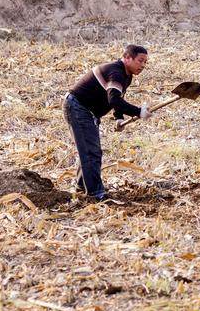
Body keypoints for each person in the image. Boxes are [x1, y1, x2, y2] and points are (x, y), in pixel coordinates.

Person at [63, 44, 151, 201]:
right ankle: (95, 193)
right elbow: (114, 100)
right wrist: (138, 112)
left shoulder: (126, 75)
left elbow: (117, 97)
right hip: (78, 107)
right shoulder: (116, 72)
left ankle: (83, 187)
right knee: (91, 151)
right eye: (140, 61)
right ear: (127, 58)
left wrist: (118, 117)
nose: (143, 65)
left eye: (145, 62)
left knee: (89, 150)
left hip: (87, 111)